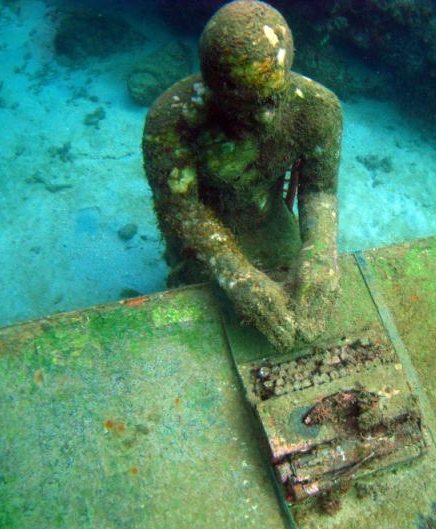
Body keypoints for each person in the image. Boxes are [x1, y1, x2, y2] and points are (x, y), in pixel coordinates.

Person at [142, 0, 342, 352]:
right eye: (246, 104)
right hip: (200, 242)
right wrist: (236, 276)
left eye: (272, 98)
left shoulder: (318, 110)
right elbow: (179, 209)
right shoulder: (172, 121)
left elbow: (319, 190)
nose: (264, 118)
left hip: (272, 224)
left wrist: (320, 253)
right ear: (216, 89)